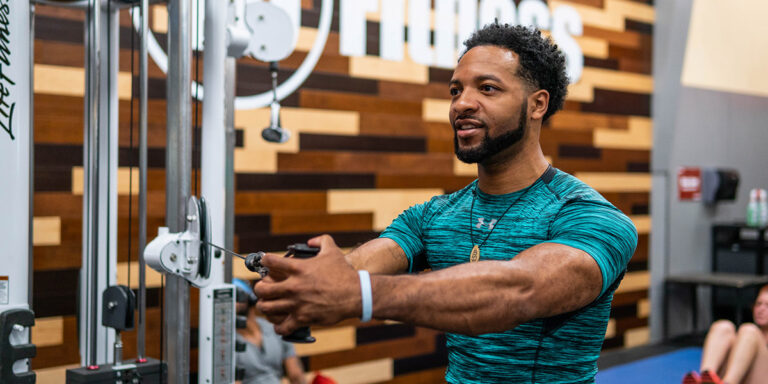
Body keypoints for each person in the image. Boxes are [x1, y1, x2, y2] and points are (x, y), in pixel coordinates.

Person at [253, 23, 638, 383]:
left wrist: (358, 294)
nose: (461, 104)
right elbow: (364, 264)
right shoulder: (435, 215)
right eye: (456, 90)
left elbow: (516, 292)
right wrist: (303, 279)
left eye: (487, 88)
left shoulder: (591, 219)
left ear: (537, 104)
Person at [683, 285, 768, 384]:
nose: (761, 309)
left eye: (767, 305)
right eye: (758, 304)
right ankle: (705, 379)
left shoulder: (750, 333)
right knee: (723, 327)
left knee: (749, 331)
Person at [233, 279, 306, 384]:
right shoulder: (226, 338)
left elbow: (296, 375)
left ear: (250, 298)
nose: (231, 302)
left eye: (236, 296)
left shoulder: (275, 328)